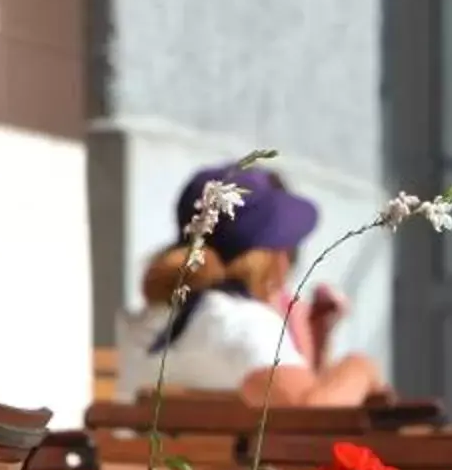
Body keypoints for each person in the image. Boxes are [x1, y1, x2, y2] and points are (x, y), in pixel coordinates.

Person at [123, 164, 384, 405]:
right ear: (272, 258)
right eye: (287, 246)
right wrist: (359, 367)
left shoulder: (143, 324)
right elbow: (310, 413)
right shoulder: (244, 323)